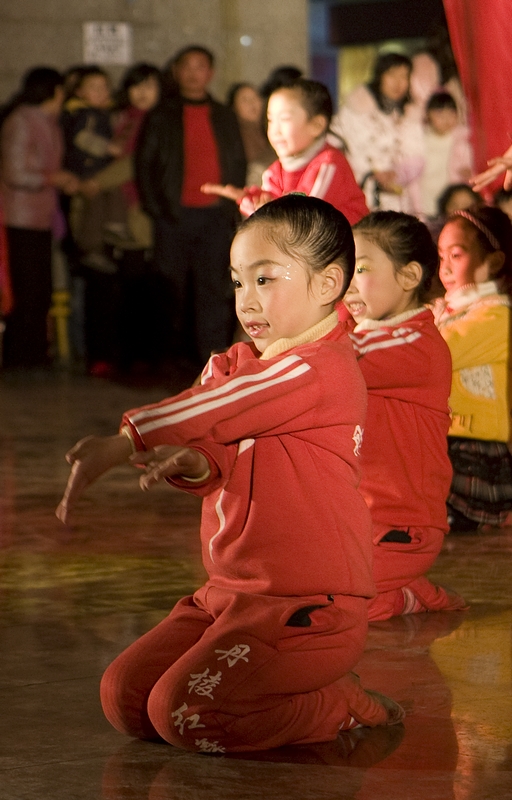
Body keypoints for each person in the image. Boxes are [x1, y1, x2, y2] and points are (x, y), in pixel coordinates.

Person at [56, 195, 404, 753]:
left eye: (264, 279)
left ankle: (336, 703)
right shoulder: (242, 365)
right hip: (227, 597)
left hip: (306, 609)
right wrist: (198, 463)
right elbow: (223, 448)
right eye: (238, 281)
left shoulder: (322, 369)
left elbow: (219, 408)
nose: (247, 299)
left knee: (186, 716)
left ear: (327, 284)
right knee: (125, 698)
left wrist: (127, 439)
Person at [342, 211, 467, 621]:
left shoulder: (415, 343)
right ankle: (396, 587)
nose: (346, 282)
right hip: (353, 525)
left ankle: (407, 595)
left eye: (361, 269)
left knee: (333, 608)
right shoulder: (358, 336)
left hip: (402, 533)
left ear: (410, 276)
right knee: (289, 590)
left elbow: (322, 363)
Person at [135, 45, 246, 368]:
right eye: (187, 66)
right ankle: (167, 358)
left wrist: (230, 206)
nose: (194, 74)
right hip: (174, 215)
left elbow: (237, 160)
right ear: (176, 72)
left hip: (215, 216)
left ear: (210, 73)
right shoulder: (162, 115)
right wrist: (158, 209)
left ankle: (211, 358)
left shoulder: (224, 115)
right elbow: (145, 165)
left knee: (213, 289)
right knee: (169, 290)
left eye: (201, 67)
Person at [435, 207, 512, 532]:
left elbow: (437, 352)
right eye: (441, 256)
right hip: (446, 439)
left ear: (493, 262)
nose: (445, 267)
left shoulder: (497, 315)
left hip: (473, 447)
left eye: (456, 255)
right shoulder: (446, 310)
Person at [202, 78, 368, 224]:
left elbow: (304, 214)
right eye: (270, 120)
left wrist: (267, 209)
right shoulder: (275, 171)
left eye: (284, 119)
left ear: (316, 125)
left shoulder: (329, 164)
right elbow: (268, 217)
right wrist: (247, 199)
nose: (275, 130)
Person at [0, 67, 78, 369]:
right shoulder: (22, 121)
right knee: (26, 287)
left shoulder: (48, 121)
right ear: (55, 91)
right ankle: (22, 354)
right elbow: (15, 171)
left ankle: (33, 351)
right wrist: (53, 178)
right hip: (20, 217)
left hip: (40, 216)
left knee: (39, 287)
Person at [330, 52, 424, 215]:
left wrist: (398, 175)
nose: (398, 83)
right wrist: (371, 175)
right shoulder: (355, 110)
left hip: (398, 200)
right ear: (380, 76)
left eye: (404, 76)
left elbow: (417, 154)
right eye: (392, 75)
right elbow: (335, 150)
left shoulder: (410, 115)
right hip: (358, 196)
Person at [420, 91, 473, 219]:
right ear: (428, 115)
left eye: (451, 113)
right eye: (440, 114)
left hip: (451, 203)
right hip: (425, 200)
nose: (446, 119)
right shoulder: (420, 140)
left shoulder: (462, 141)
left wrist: (468, 174)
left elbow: (469, 169)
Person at [226, 82, 275, 187]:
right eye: (245, 100)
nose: (252, 103)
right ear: (233, 107)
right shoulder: (230, 138)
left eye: (255, 97)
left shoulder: (272, 130)